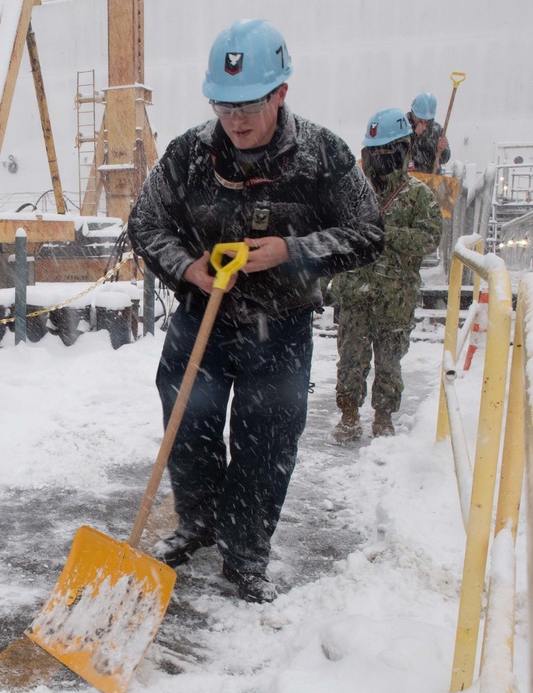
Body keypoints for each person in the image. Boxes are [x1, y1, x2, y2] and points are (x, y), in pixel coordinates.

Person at [126, 19, 384, 603]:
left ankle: (245, 554)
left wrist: (291, 252)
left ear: (281, 93)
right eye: (223, 104)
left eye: (250, 103)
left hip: (281, 329)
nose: (236, 119)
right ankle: (198, 523)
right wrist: (188, 267)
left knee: (265, 440)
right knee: (187, 425)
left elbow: (369, 232)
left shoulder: (323, 156)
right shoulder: (189, 155)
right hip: (202, 319)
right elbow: (145, 224)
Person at [330, 108, 441, 442]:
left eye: (388, 151)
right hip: (355, 294)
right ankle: (349, 415)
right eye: (375, 151)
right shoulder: (352, 193)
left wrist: (387, 232)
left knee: (389, 363)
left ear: (403, 150)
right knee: (350, 358)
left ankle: (383, 416)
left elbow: (430, 238)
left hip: (395, 299)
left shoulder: (418, 195)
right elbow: (334, 237)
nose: (381, 158)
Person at [407, 92, 451, 174]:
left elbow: (444, 159)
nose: (423, 124)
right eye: (420, 120)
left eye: (426, 121)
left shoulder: (436, 130)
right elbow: (399, 153)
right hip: (408, 180)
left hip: (431, 180)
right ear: (413, 113)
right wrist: (414, 135)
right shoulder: (403, 126)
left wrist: (442, 149)